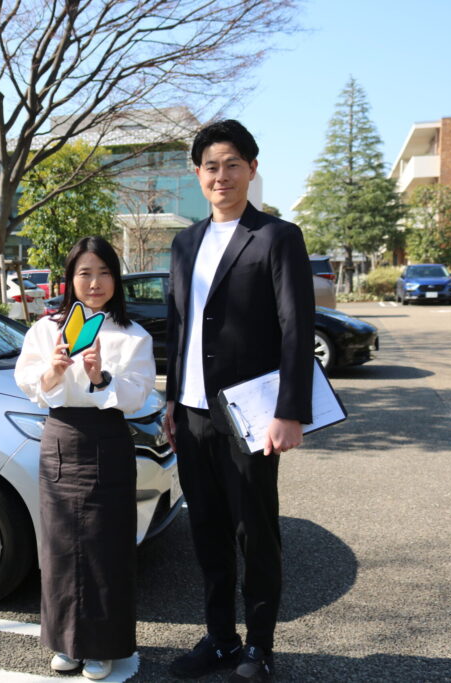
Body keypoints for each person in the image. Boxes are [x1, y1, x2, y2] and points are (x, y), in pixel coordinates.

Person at [163, 120, 315, 682]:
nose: (220, 175)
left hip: (251, 416)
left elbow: (297, 327)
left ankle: (261, 647)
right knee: (206, 530)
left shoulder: (277, 236)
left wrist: (290, 411)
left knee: (256, 531)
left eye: (231, 164)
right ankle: (221, 639)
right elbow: (179, 330)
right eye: (210, 166)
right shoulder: (184, 242)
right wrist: (172, 401)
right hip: (194, 414)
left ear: (252, 167)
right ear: (197, 174)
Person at [15, 236, 156, 681]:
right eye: (84, 273)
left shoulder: (133, 335)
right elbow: (27, 382)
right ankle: (65, 643)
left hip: (109, 441)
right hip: (60, 437)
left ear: (116, 277)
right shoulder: (46, 329)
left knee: (106, 547)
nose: (94, 283)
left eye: (104, 272)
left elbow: (136, 396)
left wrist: (100, 376)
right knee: (59, 547)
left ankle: (102, 647)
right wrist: (54, 370)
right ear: (69, 279)